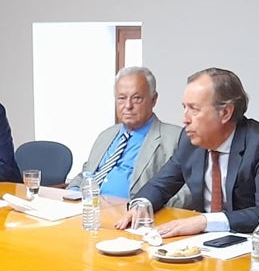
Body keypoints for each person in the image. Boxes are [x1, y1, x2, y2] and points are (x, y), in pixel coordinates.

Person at [116, 67, 259, 236]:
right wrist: (141, 205)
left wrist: (204, 221)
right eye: (185, 108)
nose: (185, 119)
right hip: (209, 245)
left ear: (225, 113)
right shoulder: (190, 141)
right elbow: (160, 185)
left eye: (194, 109)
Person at [68, 66, 188, 204]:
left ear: (153, 99)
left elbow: (188, 191)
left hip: (132, 217)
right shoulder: (106, 135)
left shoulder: (175, 138)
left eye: (136, 98)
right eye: (122, 98)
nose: (128, 105)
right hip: (87, 212)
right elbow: (86, 172)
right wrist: (73, 193)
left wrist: (147, 207)